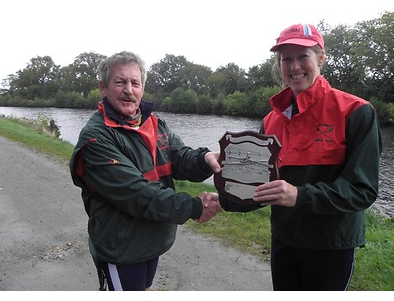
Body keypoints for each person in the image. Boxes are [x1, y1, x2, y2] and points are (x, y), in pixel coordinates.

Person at [218, 24, 382, 290]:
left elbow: (362, 190)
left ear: (320, 58)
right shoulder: (271, 120)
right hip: (284, 241)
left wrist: (299, 195)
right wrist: (223, 198)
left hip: (330, 247)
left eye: (302, 56)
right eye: (286, 59)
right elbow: (260, 186)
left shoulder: (356, 111)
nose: (294, 67)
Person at [69, 51, 222, 291]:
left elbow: (179, 157)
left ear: (142, 88)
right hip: (122, 246)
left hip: (153, 238)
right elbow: (138, 195)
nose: (129, 90)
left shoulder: (153, 123)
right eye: (120, 82)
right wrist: (194, 207)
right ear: (103, 87)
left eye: (135, 83)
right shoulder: (96, 139)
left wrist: (204, 158)